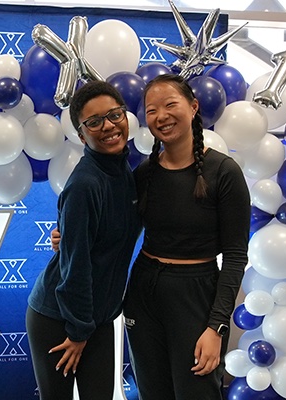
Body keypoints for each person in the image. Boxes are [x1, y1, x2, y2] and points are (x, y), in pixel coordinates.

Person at [123, 73, 251, 400]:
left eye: (170, 105)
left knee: (197, 393)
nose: (161, 116)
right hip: (144, 289)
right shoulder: (145, 173)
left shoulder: (224, 172)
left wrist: (217, 326)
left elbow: (236, 256)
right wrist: (69, 238)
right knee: (152, 392)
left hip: (196, 293)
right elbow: (120, 233)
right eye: (151, 110)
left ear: (193, 107)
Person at [26, 80, 142, 400]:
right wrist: (77, 331)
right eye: (94, 122)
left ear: (125, 117)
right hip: (59, 318)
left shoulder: (124, 172)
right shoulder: (85, 184)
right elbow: (76, 267)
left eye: (114, 115)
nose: (108, 126)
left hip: (99, 317)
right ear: (81, 135)